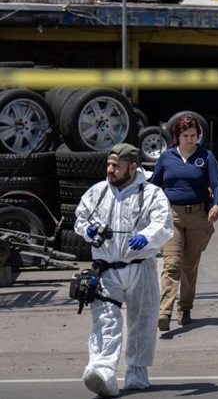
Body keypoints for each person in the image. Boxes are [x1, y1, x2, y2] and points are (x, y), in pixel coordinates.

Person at [74, 143, 173, 397]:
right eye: (109, 164)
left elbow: (163, 223)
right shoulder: (97, 193)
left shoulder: (151, 194)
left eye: (116, 165)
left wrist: (147, 237)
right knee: (105, 320)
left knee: (143, 321)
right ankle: (102, 371)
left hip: (141, 268)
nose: (111, 169)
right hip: (107, 269)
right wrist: (87, 230)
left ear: (132, 166)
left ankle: (137, 372)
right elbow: (80, 218)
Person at [151, 114, 218, 332]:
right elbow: (154, 185)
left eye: (193, 135)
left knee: (189, 266)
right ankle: (164, 312)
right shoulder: (166, 157)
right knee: (171, 264)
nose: (190, 139)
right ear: (177, 136)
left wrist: (216, 205)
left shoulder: (206, 157)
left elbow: (217, 183)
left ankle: (185, 308)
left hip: (198, 215)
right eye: (186, 136)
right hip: (172, 216)